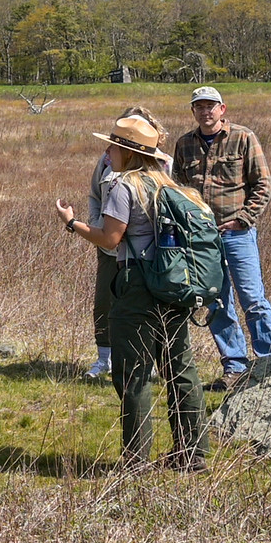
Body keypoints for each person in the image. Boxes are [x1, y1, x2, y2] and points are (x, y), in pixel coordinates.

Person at [56, 114, 208, 472]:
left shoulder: (125, 187)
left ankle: (136, 460)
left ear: (128, 152)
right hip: (173, 285)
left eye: (113, 146)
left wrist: (71, 223)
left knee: (133, 371)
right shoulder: (170, 184)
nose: (108, 152)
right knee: (180, 367)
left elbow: (110, 239)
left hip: (137, 285)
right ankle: (192, 454)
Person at [170, 87, 271, 392]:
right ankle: (234, 367)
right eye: (199, 107)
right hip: (200, 238)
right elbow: (177, 189)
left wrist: (243, 219)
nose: (205, 112)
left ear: (223, 109)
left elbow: (264, 184)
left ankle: (270, 362)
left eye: (211, 106)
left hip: (237, 234)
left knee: (253, 298)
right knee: (216, 301)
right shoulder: (184, 144)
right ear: (193, 111)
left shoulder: (244, 138)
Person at [80, 106, 162, 381]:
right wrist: (98, 223)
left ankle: (142, 366)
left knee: (143, 308)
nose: (110, 149)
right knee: (105, 301)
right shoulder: (106, 163)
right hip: (109, 249)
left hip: (146, 256)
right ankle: (106, 359)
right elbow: (94, 195)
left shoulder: (162, 167)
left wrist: (72, 224)